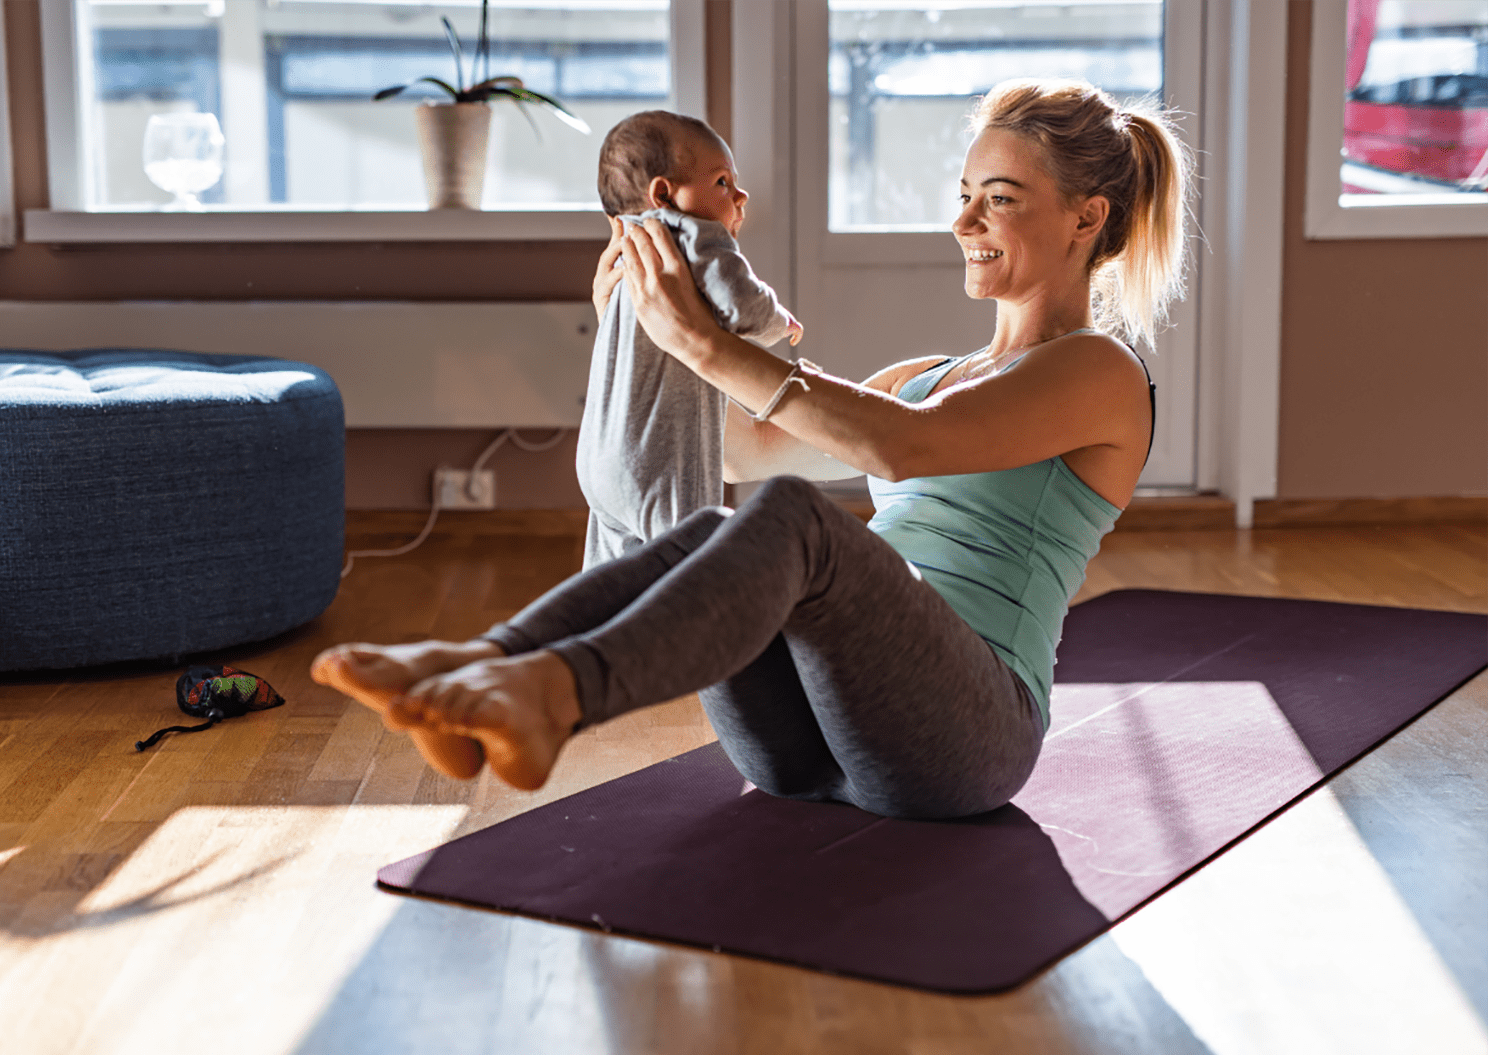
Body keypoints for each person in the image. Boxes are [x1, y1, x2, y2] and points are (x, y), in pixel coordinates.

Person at [312, 79, 1192, 819]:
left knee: (799, 523)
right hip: (808, 741)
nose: (965, 220)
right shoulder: (927, 373)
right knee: (711, 520)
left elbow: (902, 449)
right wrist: (634, 330)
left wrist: (705, 344)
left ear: (1088, 217)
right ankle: (490, 663)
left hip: (966, 739)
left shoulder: (1099, 371)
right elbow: (740, 453)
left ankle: (553, 693)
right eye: (964, 193)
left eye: (999, 197)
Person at [579, 110, 801, 569]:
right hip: (657, 464)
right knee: (692, 570)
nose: (740, 197)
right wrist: (779, 321)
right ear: (664, 195)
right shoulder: (691, 235)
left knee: (607, 581)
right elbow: (742, 305)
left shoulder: (627, 254)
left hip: (599, 461)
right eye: (722, 182)